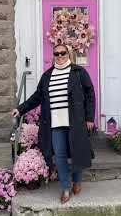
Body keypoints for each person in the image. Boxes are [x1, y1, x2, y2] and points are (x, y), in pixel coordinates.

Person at [11, 44, 95, 203]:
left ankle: (77, 181)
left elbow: (90, 94)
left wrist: (89, 118)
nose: (60, 56)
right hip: (54, 123)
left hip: (75, 121)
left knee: (77, 152)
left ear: (69, 54)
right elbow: (37, 97)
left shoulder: (79, 72)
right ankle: (65, 187)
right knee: (60, 156)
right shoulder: (47, 76)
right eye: (56, 54)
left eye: (63, 53)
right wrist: (20, 109)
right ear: (53, 56)